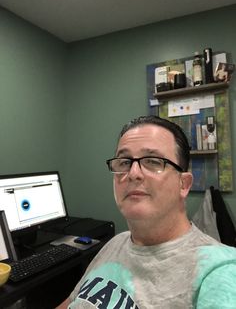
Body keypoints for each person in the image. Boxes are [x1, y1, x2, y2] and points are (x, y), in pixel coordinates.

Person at [57, 115, 236, 309]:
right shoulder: (116, 243)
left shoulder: (220, 270)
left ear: (183, 184)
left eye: (152, 161)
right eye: (124, 162)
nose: (133, 173)